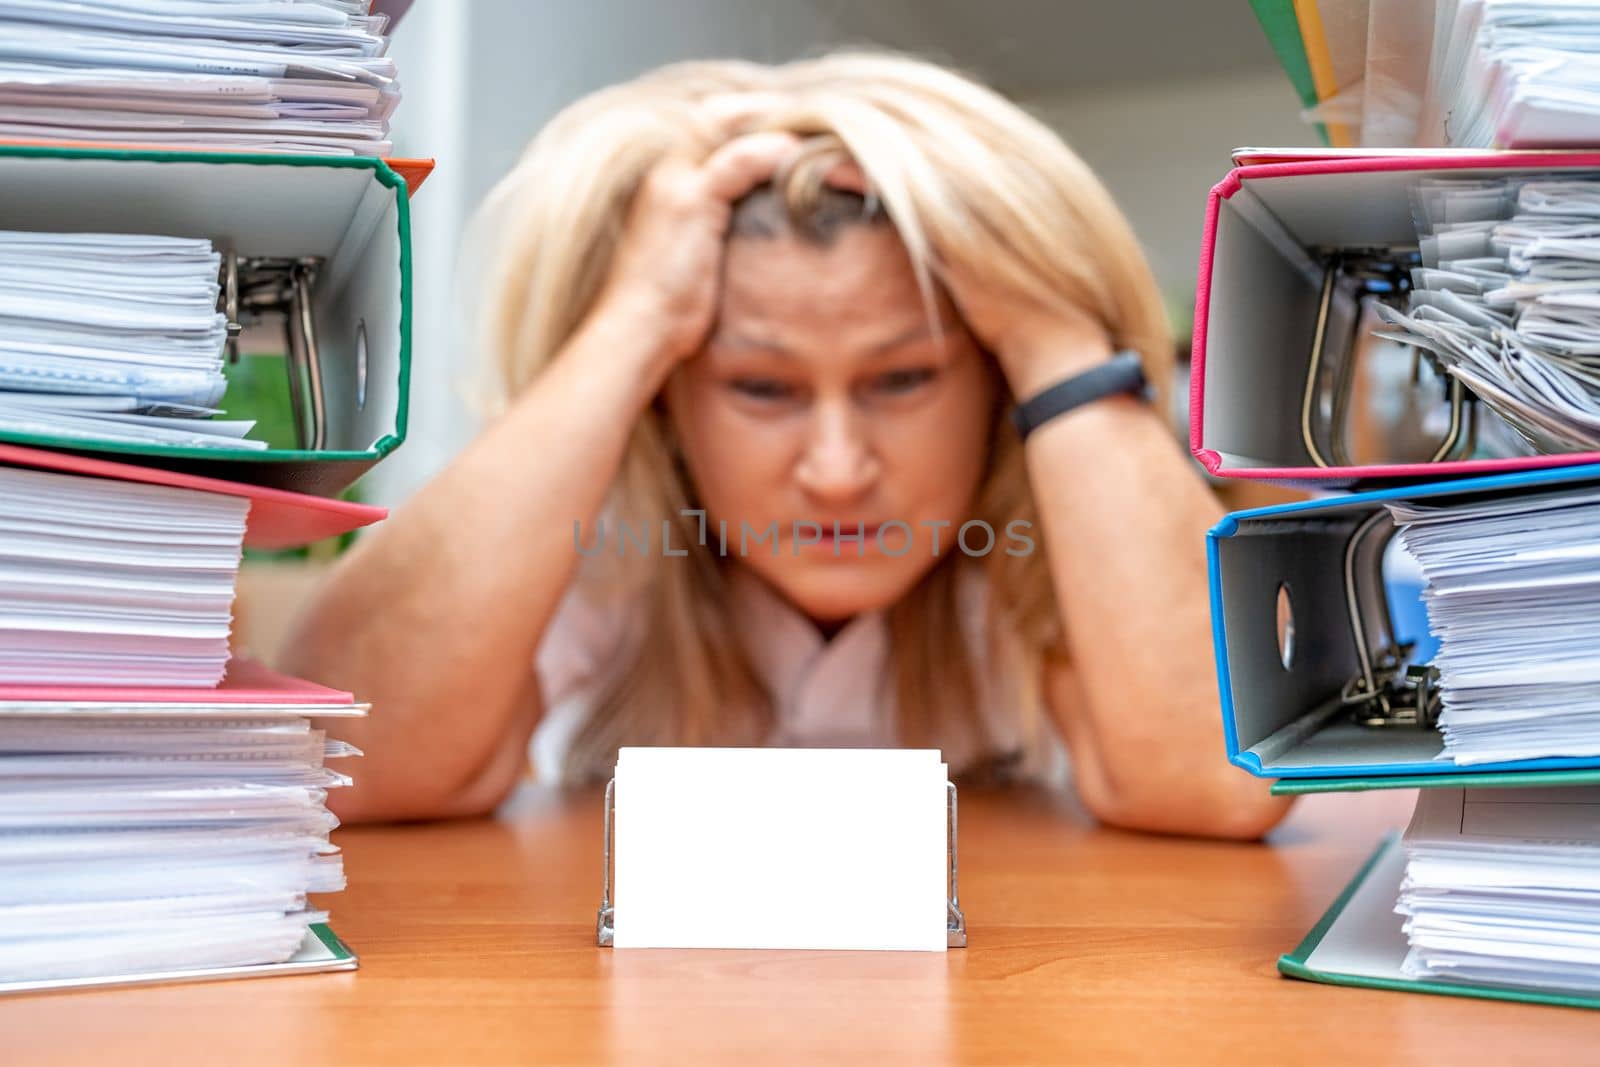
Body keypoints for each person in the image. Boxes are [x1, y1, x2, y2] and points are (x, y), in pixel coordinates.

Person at [280, 51, 1292, 838]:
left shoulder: (1040, 551)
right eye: (761, 387)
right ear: (668, 400)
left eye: (904, 377)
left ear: (992, 380)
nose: (838, 471)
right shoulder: (617, 542)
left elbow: (1220, 784)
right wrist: (629, 323)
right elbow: (347, 764)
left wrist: (1052, 332)